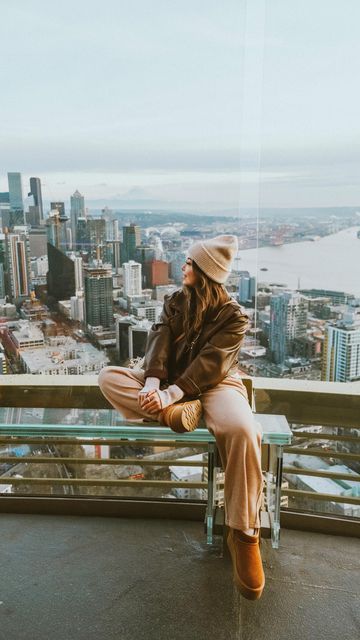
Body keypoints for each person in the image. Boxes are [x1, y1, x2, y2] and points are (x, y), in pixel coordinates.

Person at [98, 235, 265, 600]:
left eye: (189, 262)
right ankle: (175, 414)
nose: (183, 266)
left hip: (216, 385)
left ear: (204, 270)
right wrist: (155, 382)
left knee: (243, 430)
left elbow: (213, 363)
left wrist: (170, 393)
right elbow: (160, 336)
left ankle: (245, 532)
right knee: (109, 378)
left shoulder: (234, 317)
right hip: (171, 383)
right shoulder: (176, 300)